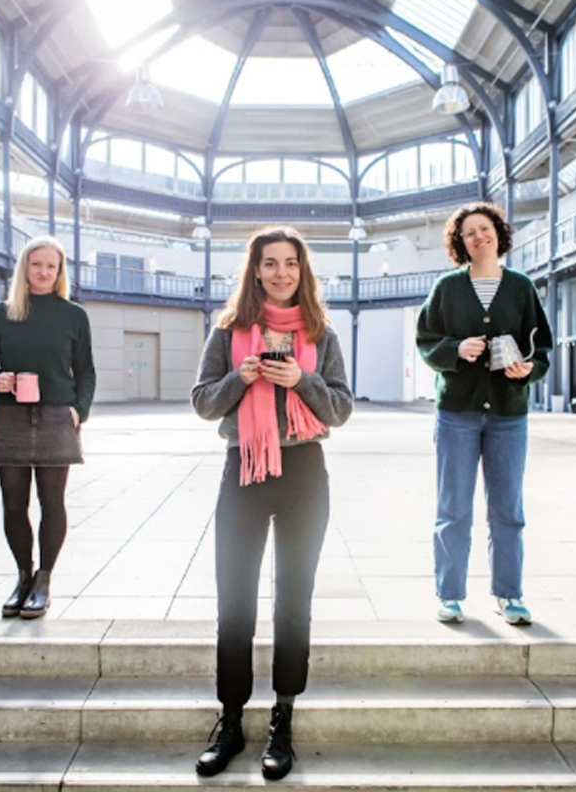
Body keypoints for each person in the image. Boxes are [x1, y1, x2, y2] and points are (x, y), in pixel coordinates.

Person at [191, 225, 352, 781]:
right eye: (269, 263)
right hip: (244, 471)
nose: (281, 272)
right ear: (254, 270)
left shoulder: (321, 334)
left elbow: (340, 409)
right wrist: (242, 375)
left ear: (302, 270)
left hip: (304, 472)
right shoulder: (229, 330)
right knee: (234, 604)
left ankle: (283, 717)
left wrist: (301, 379)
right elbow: (204, 404)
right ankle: (231, 719)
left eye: (290, 263)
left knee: (293, 604)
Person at [416, 202, 552, 627]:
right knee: (453, 507)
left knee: (508, 511)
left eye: (485, 228)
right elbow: (425, 338)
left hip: (509, 414)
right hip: (457, 411)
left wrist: (530, 369)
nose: (479, 237)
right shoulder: (447, 288)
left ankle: (509, 595)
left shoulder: (522, 287)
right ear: (460, 243)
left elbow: (542, 347)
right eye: (469, 232)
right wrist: (454, 350)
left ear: (498, 232)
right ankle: (450, 594)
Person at [0, 235, 96, 620]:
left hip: (57, 417)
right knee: (13, 503)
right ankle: (23, 577)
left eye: (52, 266)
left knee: (52, 502)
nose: (44, 272)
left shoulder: (73, 315)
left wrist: (80, 411)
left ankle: (44, 580)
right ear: (24, 268)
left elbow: (86, 371)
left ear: (60, 272)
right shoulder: (1, 313)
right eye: (36, 264)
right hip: (10, 417)